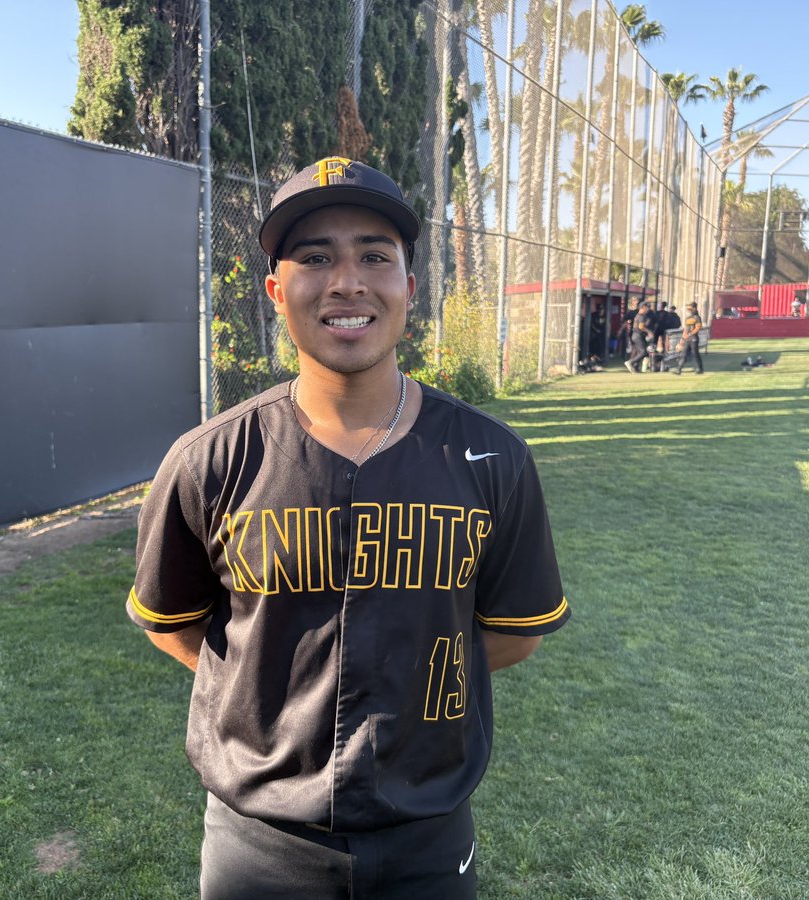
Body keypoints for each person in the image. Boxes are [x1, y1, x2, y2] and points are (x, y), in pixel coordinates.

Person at [125, 156, 570, 899]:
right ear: (277, 290)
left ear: (409, 288)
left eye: (374, 255)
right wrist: (271, 696)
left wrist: (399, 684)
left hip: (427, 830)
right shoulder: (210, 459)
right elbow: (176, 626)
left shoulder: (492, 457)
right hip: (257, 841)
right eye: (315, 257)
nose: (346, 282)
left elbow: (514, 633)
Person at [673, 302, 704, 375]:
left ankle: (700, 369)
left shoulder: (697, 317)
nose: (688, 309)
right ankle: (679, 369)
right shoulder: (688, 318)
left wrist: (690, 334)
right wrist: (682, 339)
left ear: (694, 308)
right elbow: (686, 329)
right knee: (683, 354)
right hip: (687, 339)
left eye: (690, 307)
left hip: (694, 339)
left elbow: (698, 328)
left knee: (695, 354)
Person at [625, 299, 654, 373]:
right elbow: (641, 327)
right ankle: (630, 362)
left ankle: (635, 367)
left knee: (640, 352)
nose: (647, 310)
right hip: (638, 335)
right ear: (643, 307)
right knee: (643, 352)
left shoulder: (638, 315)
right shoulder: (641, 316)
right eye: (646, 308)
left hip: (636, 335)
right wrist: (649, 332)